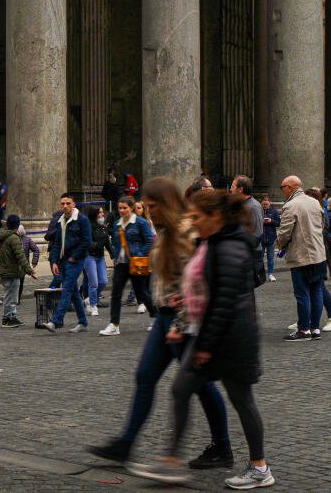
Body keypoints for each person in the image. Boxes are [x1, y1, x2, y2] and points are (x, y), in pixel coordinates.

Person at [88, 176, 231, 472]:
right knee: (145, 376)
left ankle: (221, 446)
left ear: (165, 204)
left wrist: (180, 323)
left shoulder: (186, 232)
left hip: (184, 320)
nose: (148, 211)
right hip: (165, 314)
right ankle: (125, 444)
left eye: (152, 206)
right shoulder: (165, 230)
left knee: (199, 385)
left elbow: (196, 283)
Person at [133, 187, 270, 488]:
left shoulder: (229, 247)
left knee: (242, 400)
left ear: (216, 216)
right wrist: (181, 322)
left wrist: (205, 346)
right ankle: (171, 462)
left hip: (230, 340)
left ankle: (259, 467)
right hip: (213, 335)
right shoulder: (212, 241)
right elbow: (196, 290)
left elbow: (224, 302)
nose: (192, 222)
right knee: (182, 390)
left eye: (196, 216)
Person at [274, 175, 327, 340]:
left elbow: (284, 232)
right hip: (319, 254)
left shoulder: (291, 205)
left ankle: (303, 330)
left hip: (301, 255)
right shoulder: (314, 202)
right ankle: (315, 328)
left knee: (302, 293)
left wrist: (279, 245)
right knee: (316, 291)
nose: (282, 191)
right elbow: (323, 225)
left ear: (290, 187)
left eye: (282, 187)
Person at [100, 197, 153, 335]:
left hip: (136, 263)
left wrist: (140, 254)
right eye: (120, 208)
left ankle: (157, 317)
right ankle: (114, 324)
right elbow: (117, 244)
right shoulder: (118, 224)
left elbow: (149, 241)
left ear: (131, 208)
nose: (122, 210)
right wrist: (116, 257)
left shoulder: (140, 223)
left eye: (125, 208)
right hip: (121, 264)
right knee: (116, 293)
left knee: (142, 293)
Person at [43, 191, 92, 332]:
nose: (65, 206)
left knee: (67, 289)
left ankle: (55, 321)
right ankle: (83, 322)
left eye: (68, 203)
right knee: (74, 292)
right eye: (62, 204)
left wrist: (74, 257)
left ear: (73, 204)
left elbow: (87, 241)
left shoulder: (82, 220)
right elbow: (56, 243)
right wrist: (54, 261)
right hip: (64, 260)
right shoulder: (60, 221)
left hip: (76, 260)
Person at [0, 213, 30, 326]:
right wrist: (29, 270)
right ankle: (8, 318)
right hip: (11, 270)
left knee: (10, 294)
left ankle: (11, 316)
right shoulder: (14, 238)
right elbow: (21, 256)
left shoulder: (0, 235)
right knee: (11, 296)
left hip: (1, 270)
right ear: (18, 226)